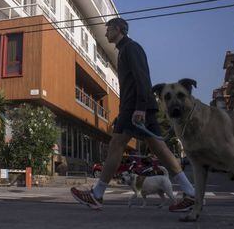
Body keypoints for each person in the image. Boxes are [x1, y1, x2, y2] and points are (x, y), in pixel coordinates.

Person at [71, 17, 195, 212]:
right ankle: (191, 193)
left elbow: (142, 77)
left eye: (108, 28)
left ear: (119, 29)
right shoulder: (124, 51)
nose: (106, 33)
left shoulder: (131, 48)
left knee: (117, 146)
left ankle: (97, 195)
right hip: (133, 107)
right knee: (159, 149)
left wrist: (140, 108)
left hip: (136, 107)